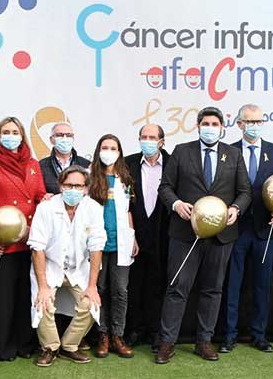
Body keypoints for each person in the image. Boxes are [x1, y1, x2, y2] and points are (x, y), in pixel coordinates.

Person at [155, 106, 251, 364]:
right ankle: (167, 343)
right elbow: (165, 187)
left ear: (222, 128)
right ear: (198, 127)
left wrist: (236, 209)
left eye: (214, 124)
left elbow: (245, 191)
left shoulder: (234, 155)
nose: (210, 128)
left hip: (221, 235)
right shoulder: (181, 152)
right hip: (185, 233)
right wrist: (176, 204)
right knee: (177, 287)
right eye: (205, 123)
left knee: (212, 289)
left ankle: (204, 341)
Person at [0, 117, 48, 360]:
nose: (10, 135)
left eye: (15, 131)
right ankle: (2, 347)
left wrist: (41, 215)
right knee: (3, 299)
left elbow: (39, 196)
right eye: (5, 131)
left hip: (28, 239)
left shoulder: (32, 164)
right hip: (4, 242)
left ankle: (24, 344)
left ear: (22, 135)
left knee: (24, 295)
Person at [223, 104, 273, 353]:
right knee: (233, 283)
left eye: (258, 121)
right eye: (249, 121)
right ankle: (229, 334)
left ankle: (259, 335)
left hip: (265, 229)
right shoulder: (228, 152)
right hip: (235, 229)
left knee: (262, 284)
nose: (254, 126)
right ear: (239, 124)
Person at [29, 166, 106, 366]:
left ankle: (69, 345)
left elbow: (97, 247)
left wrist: (92, 286)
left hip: (78, 268)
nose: (73, 189)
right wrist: (44, 287)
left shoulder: (94, 209)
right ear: (61, 186)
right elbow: (37, 248)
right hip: (49, 267)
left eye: (78, 186)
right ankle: (50, 347)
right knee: (43, 301)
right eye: (69, 185)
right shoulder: (45, 208)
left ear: (86, 189)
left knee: (91, 304)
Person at [86, 134, 137, 358]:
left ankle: (118, 335)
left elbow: (127, 210)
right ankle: (102, 335)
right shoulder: (89, 177)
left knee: (120, 291)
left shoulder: (125, 177)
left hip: (121, 242)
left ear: (119, 152)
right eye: (105, 147)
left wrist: (133, 237)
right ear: (98, 151)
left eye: (113, 148)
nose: (109, 151)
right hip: (97, 243)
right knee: (100, 290)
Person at [124, 124, 170, 350]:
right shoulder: (128, 163)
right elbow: (122, 202)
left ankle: (155, 331)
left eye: (153, 137)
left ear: (162, 141)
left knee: (158, 283)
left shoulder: (173, 163)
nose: (148, 141)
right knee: (134, 283)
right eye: (144, 137)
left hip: (164, 234)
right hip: (135, 232)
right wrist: (130, 234)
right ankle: (134, 329)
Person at [39, 121, 90, 194]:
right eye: (60, 135)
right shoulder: (41, 166)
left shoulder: (85, 164)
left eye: (69, 135)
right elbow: (38, 193)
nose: (65, 138)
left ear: (73, 138)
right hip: (53, 204)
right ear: (51, 139)